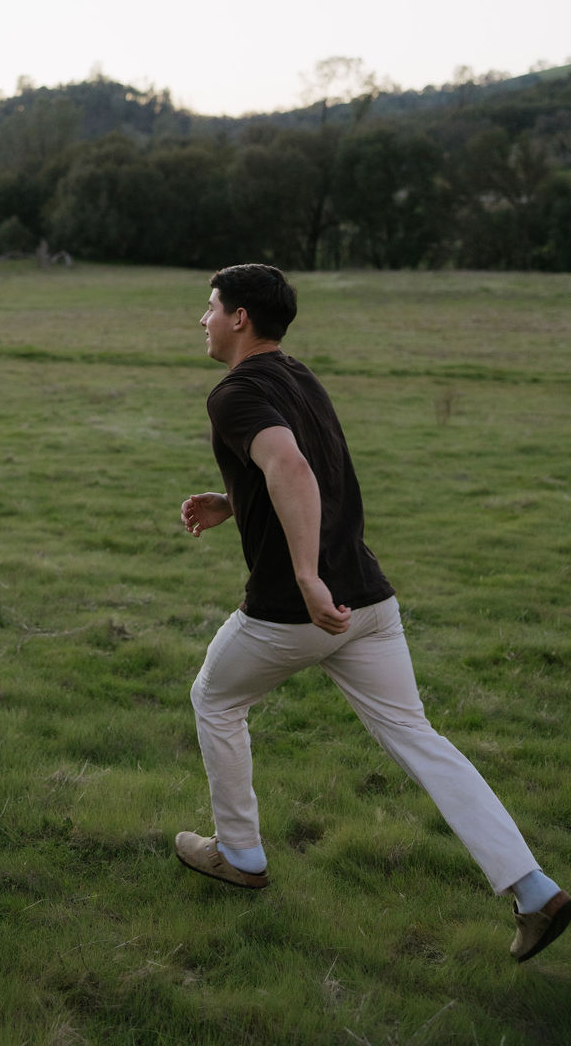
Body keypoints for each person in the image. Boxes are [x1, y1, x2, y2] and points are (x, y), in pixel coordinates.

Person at [175, 263, 568, 964]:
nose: (201, 320)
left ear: (239, 319)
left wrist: (303, 576)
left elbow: (293, 471)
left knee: (214, 698)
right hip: (369, 600)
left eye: (208, 308)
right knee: (419, 738)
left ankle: (240, 853)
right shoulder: (301, 377)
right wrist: (232, 501)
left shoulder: (233, 393)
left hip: (297, 611)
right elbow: (300, 470)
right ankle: (534, 889)